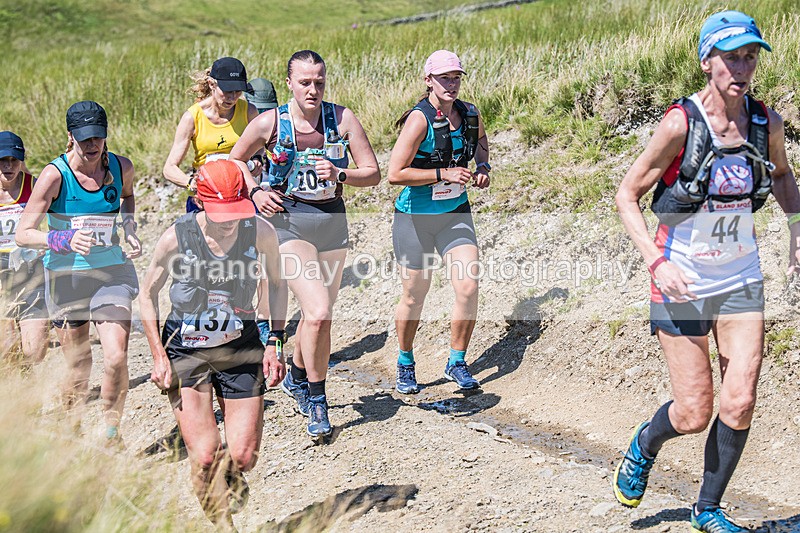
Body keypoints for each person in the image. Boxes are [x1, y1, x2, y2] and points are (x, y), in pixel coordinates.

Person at [612, 11, 800, 532]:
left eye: (750, 56)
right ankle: (645, 443)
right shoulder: (681, 123)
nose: (742, 67)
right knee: (695, 414)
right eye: (731, 57)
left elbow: (783, 178)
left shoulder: (767, 124)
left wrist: (797, 228)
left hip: (741, 278)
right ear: (706, 62)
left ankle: (708, 509)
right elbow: (627, 196)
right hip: (683, 280)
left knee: (739, 400)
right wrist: (657, 260)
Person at [230, 49, 380, 439]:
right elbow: (233, 161)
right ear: (290, 83)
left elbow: (373, 173)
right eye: (305, 83)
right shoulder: (269, 122)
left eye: (319, 82)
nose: (313, 90)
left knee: (321, 318)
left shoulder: (341, 118)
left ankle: (298, 374)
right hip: (287, 223)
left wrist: (341, 172)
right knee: (317, 310)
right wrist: (256, 189)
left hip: (331, 222)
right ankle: (317, 398)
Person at [141, 159, 287, 527]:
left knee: (243, 456)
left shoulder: (261, 232)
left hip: (240, 348)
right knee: (205, 456)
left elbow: (279, 284)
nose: (229, 223)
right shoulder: (177, 237)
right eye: (221, 214)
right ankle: (223, 525)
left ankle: (230, 477)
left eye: (235, 212)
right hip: (186, 350)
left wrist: (275, 342)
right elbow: (146, 294)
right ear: (200, 201)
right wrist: (159, 357)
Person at [15, 101, 142, 443]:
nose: (91, 145)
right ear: (70, 136)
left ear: (106, 135)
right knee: (79, 365)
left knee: (116, 356)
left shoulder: (121, 166)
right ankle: (70, 431)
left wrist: (129, 227)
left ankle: (112, 431)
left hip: (111, 272)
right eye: (84, 138)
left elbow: (127, 197)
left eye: (97, 137)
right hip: (67, 279)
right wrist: (63, 238)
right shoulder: (55, 175)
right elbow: (23, 233)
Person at [386, 50, 490, 395]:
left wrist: (483, 169)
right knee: (415, 295)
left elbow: (482, 144)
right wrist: (442, 173)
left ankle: (456, 361)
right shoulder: (420, 120)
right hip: (414, 218)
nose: (452, 84)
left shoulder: (470, 113)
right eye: (445, 78)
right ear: (428, 80)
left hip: (455, 215)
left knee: (468, 286)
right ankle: (405, 360)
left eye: (457, 77)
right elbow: (394, 173)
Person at [163, 57, 264, 212]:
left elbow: (260, 145)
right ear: (212, 84)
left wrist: (257, 158)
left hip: (241, 193)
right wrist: (192, 183)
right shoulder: (192, 117)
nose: (233, 97)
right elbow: (169, 168)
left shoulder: (249, 111)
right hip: (206, 196)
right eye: (228, 91)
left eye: (238, 91)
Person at [0, 131, 49, 366]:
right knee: (6, 347)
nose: (8, 166)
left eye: (14, 160)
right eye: (2, 160)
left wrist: (49, 242)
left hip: (29, 269)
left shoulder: (35, 185)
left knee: (35, 351)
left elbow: (61, 216)